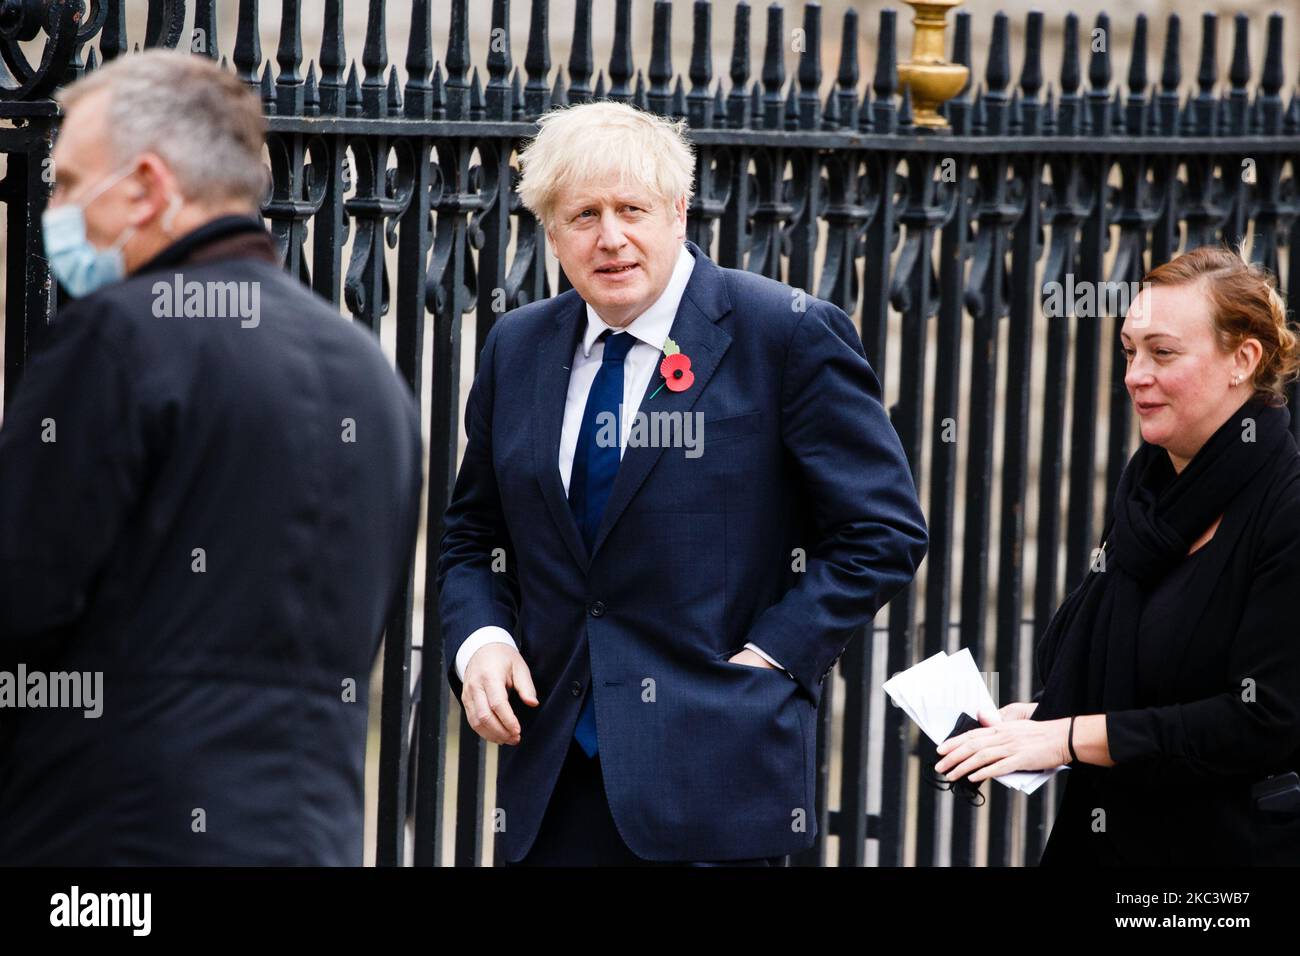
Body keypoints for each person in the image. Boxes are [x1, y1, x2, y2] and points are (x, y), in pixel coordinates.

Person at [436, 100, 928, 865]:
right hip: (552, 783)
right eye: (583, 215)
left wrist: (771, 656)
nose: (610, 237)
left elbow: (884, 529)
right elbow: (473, 535)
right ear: (551, 231)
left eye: (631, 209)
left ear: (677, 209)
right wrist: (481, 642)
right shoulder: (518, 345)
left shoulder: (784, 332)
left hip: (718, 777)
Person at [0, 51, 424, 864]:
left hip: (113, 843)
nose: (54, 206)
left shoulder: (120, 336)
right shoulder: (368, 371)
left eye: (67, 181)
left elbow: (24, 592)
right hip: (309, 834)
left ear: (149, 185)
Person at [935, 245, 1300, 865]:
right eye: (1130, 351)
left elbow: (1263, 719)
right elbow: (1136, 677)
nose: (1135, 374)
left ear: (1243, 359)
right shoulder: (1151, 493)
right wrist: (1037, 722)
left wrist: (1070, 737)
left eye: (1163, 352)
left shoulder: (1285, 508)